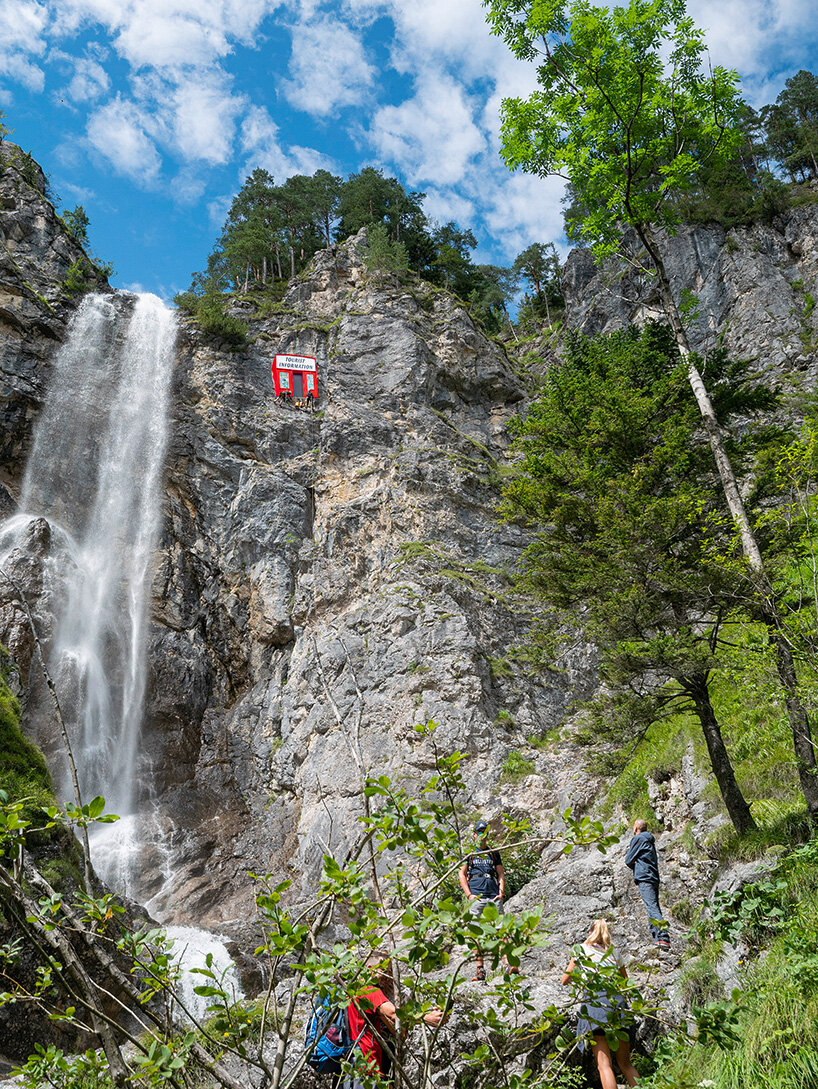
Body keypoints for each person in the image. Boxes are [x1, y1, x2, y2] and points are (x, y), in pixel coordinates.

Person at [561, 919, 639, 1089]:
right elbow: (624, 982)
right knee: (626, 1064)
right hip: (617, 1006)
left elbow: (564, 980)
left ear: (590, 933)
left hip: (596, 1007)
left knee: (604, 1065)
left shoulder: (581, 950)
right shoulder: (614, 953)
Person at [344, 956, 445, 1086]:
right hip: (367, 1066)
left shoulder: (353, 991)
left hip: (353, 1066)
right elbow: (393, 1014)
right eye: (384, 971)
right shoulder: (370, 992)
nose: (389, 976)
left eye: (391, 971)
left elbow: (399, 1030)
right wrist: (427, 1018)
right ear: (370, 969)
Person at [458, 818, 515, 980]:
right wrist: (469, 895)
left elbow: (501, 873)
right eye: (480, 832)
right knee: (475, 932)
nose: (483, 835)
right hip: (476, 895)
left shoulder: (493, 853)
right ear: (475, 834)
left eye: (485, 832)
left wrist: (501, 892)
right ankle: (480, 970)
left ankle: (508, 964)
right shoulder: (470, 853)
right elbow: (461, 873)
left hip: (493, 895)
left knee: (501, 930)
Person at [624, 819, 670, 949]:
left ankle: (663, 937)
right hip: (653, 877)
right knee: (653, 907)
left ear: (636, 828)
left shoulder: (638, 839)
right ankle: (658, 938)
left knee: (652, 907)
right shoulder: (650, 840)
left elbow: (628, 860)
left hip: (644, 877)